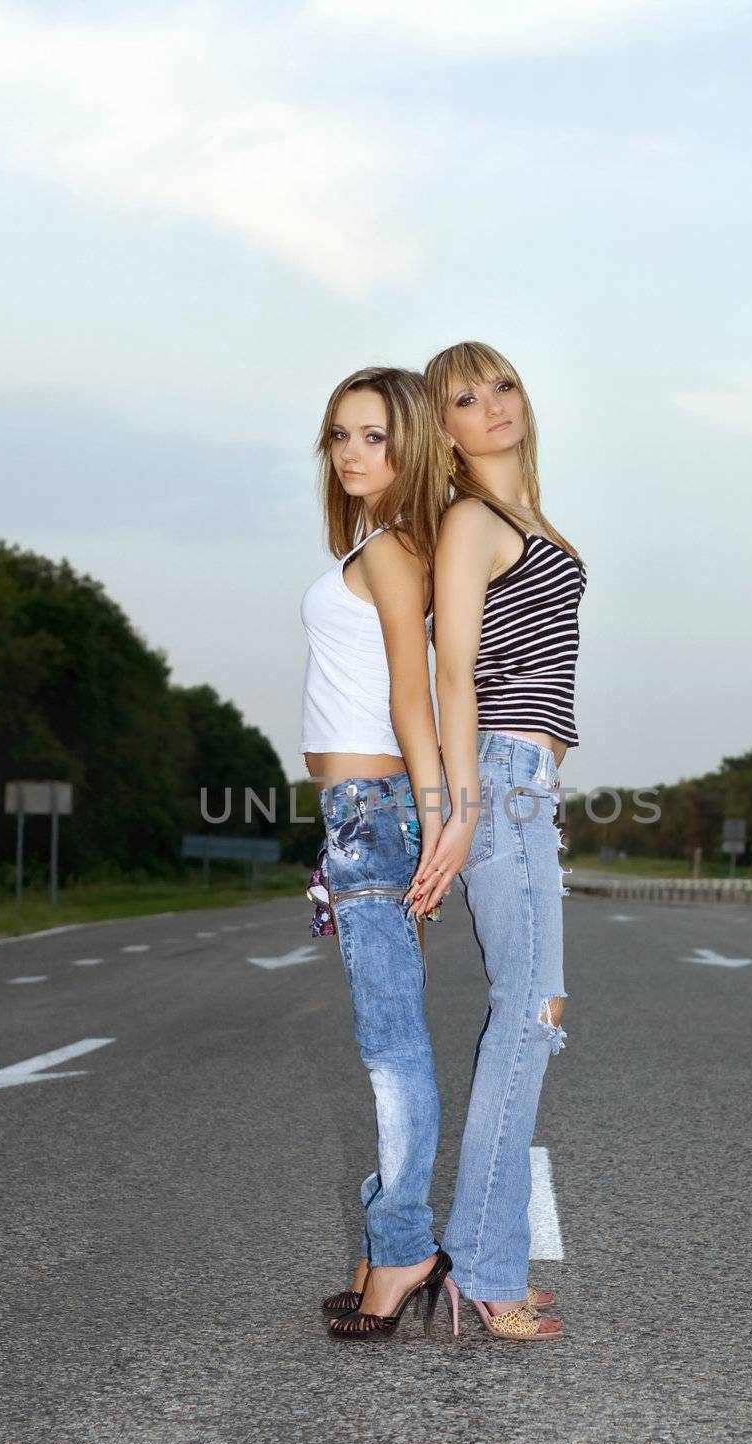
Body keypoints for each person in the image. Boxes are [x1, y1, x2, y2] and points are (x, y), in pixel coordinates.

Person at [413, 340, 588, 1341]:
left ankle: (483, 1253)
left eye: (502, 387)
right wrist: (464, 802)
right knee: (531, 1011)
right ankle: (482, 1267)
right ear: (443, 428)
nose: (491, 408)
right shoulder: (472, 520)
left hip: (530, 787)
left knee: (530, 1012)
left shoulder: (526, 519)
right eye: (464, 399)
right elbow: (454, 673)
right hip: (501, 781)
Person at [298, 365, 451, 1340]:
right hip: (360, 814)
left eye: (374, 437)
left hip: (376, 810)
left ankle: (401, 1248)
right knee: (386, 1041)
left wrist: (437, 822)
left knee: (390, 1051)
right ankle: (383, 1239)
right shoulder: (378, 542)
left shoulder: (395, 551)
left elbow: (410, 696)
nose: (352, 454)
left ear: (410, 448)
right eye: (340, 435)